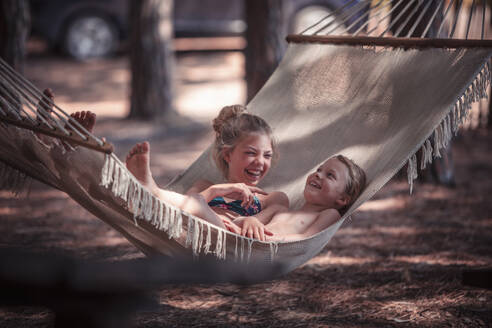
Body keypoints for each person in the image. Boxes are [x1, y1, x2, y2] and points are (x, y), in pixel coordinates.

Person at [125, 105, 288, 229]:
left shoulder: (272, 199)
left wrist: (250, 219)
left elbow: (253, 226)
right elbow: (183, 215)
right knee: (196, 201)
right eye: (251, 153)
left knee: (198, 202)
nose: (260, 162)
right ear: (228, 155)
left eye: (267, 155)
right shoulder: (205, 186)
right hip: (192, 243)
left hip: (234, 248)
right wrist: (215, 191)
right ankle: (148, 193)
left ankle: (154, 192)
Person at [222, 155, 366, 242]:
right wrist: (250, 220)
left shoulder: (329, 214)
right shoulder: (280, 210)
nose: (318, 174)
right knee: (204, 207)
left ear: (342, 199)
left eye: (330, 175)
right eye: (319, 169)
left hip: (264, 247)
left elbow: (305, 240)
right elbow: (239, 221)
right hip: (243, 240)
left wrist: (268, 240)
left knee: (201, 206)